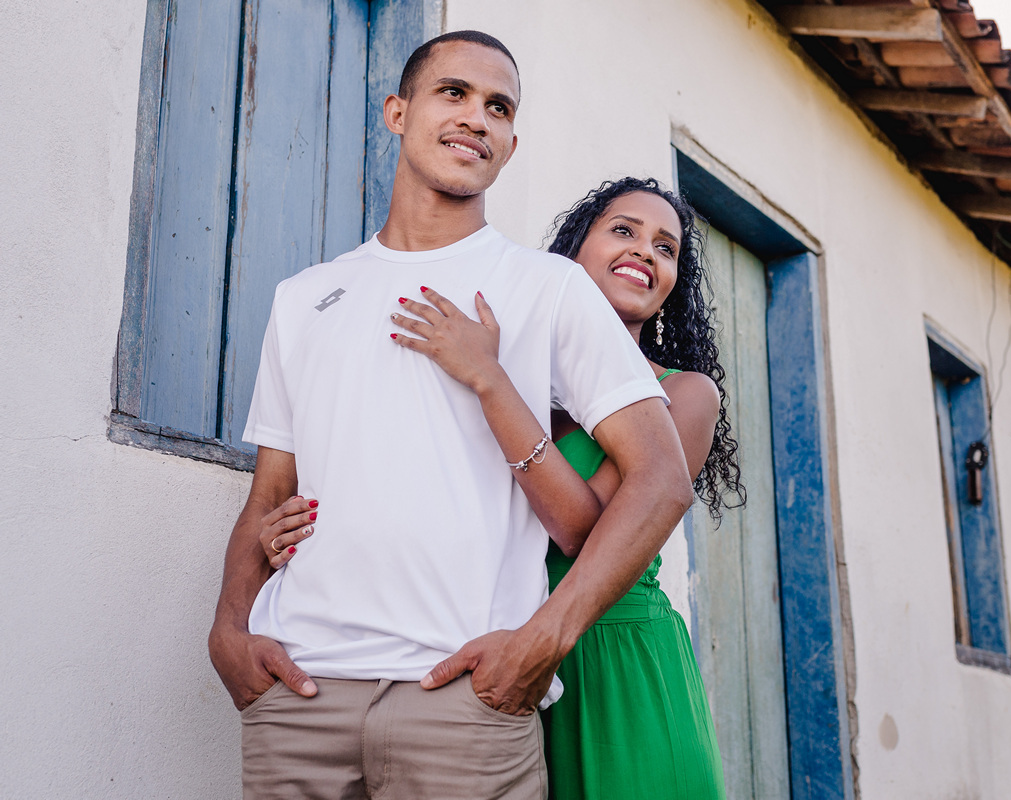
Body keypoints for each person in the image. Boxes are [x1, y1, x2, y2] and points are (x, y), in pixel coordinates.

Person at [208, 31, 694, 800]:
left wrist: (543, 642)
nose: (477, 117)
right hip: (300, 694)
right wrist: (229, 632)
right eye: (454, 94)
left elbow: (662, 480)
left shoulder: (548, 288)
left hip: (462, 697)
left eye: (498, 107)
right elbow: (268, 495)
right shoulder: (305, 298)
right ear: (398, 112)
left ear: (509, 142)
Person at [264, 178, 743, 798]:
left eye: (666, 248)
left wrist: (491, 381)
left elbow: (581, 528)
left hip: (613, 656)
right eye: (624, 231)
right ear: (571, 255)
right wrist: (305, 530)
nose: (646, 252)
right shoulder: (521, 371)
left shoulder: (683, 392)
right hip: (494, 654)